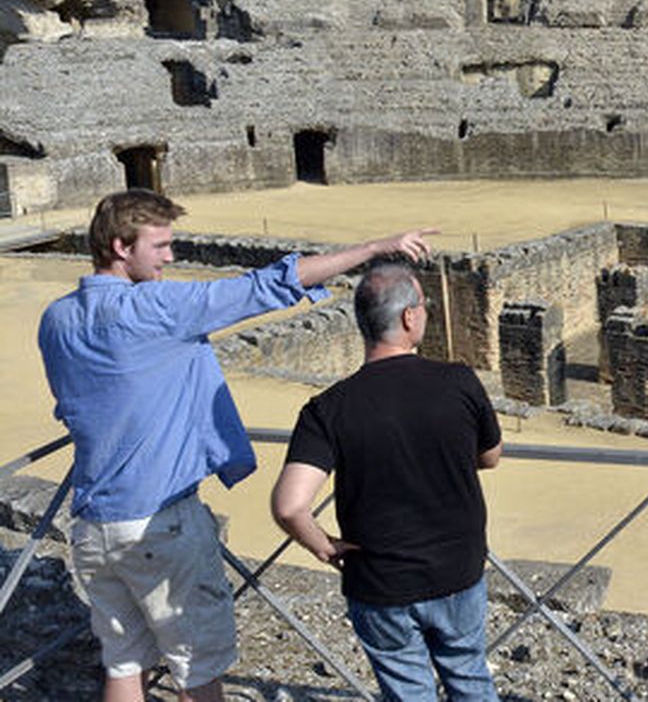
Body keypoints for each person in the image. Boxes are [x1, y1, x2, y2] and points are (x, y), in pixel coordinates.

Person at [36, 188, 436, 702]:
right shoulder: (157, 308)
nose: (170, 257)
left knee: (124, 665)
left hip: (93, 521)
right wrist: (375, 248)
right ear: (119, 246)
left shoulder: (56, 319)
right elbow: (271, 286)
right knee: (197, 671)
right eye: (159, 246)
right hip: (159, 522)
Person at [271, 263, 502, 702]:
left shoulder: (327, 408)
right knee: (470, 676)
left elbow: (289, 506)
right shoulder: (458, 381)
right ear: (409, 318)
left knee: (407, 693)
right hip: (457, 569)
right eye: (423, 306)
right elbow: (490, 456)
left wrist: (324, 546)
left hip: (380, 580)